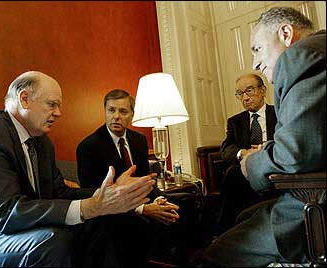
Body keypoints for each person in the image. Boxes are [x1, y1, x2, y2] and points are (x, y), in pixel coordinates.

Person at [0, 71, 156, 267]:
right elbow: (5, 213)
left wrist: (110, 195)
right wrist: (89, 207)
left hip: (16, 231)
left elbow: (60, 193)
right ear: (24, 99)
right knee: (54, 240)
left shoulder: (41, 142)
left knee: (105, 221)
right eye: (52, 104)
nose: (58, 113)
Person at [197, 7, 325, 266]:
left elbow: (294, 153)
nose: (254, 62)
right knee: (243, 216)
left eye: (256, 48)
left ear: (286, 33)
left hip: (314, 206)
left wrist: (253, 162)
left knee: (212, 257)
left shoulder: (300, 55)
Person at [76, 89, 202, 264]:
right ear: (105, 111)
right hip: (113, 211)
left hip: (143, 199)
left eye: (123, 111)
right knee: (140, 223)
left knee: (188, 200)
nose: (116, 117)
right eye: (111, 110)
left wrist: (158, 200)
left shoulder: (139, 140)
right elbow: (95, 195)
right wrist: (144, 209)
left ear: (132, 115)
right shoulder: (88, 147)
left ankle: (185, 258)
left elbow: (146, 179)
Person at [217, 73, 277, 233]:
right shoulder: (235, 121)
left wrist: (264, 150)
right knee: (232, 173)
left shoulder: (279, 113)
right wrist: (243, 153)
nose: (245, 98)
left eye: (249, 91)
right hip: (246, 170)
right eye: (240, 94)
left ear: (263, 90)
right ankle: (227, 231)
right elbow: (226, 149)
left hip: (273, 163)